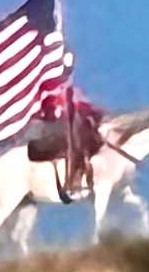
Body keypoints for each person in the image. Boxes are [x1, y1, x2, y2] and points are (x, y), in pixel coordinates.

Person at [27, 51, 107, 201]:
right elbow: (48, 104)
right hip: (47, 125)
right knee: (74, 139)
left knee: (89, 137)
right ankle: (71, 182)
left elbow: (78, 100)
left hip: (61, 121)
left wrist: (94, 113)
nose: (66, 71)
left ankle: (86, 175)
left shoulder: (68, 85)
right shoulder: (48, 84)